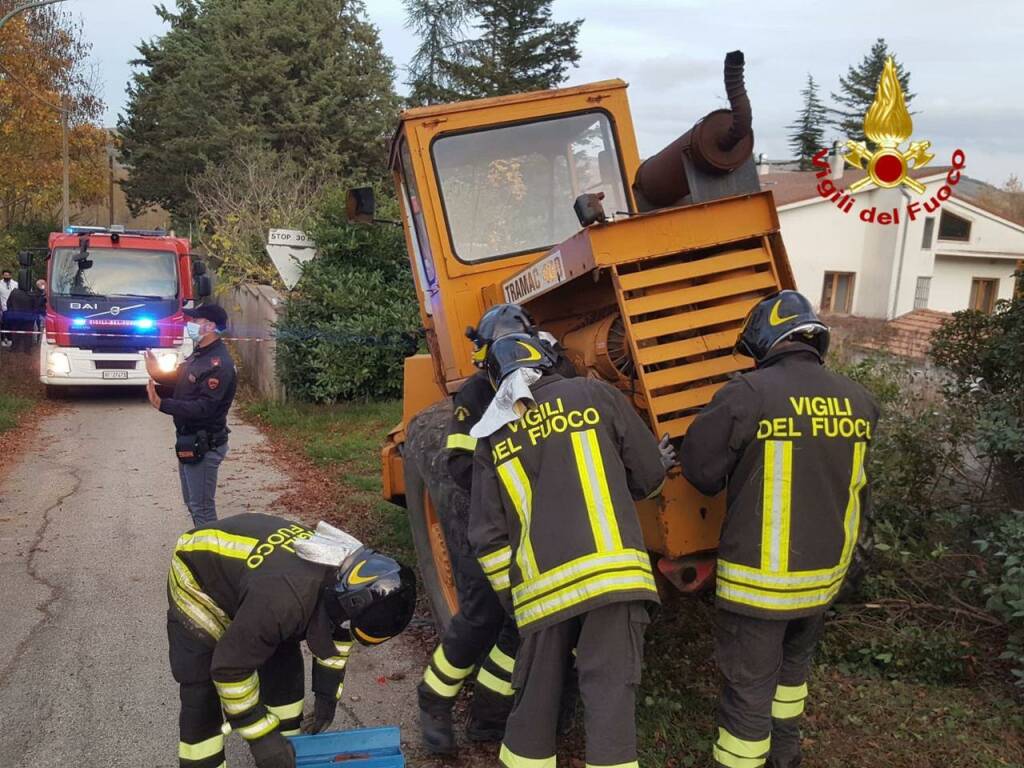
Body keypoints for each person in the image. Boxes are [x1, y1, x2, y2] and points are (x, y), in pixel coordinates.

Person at [680, 290, 879, 768]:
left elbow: (701, 473)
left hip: (760, 587)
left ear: (766, 342)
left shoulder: (747, 394)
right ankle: (784, 758)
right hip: (821, 582)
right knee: (791, 682)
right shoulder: (858, 401)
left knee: (748, 692)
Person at [469, 333, 674, 768]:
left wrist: (517, 599)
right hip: (614, 582)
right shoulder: (593, 393)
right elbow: (650, 477)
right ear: (547, 362)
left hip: (542, 594)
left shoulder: (492, 434)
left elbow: (487, 537)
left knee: (534, 709)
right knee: (610, 704)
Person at [418, 304, 577, 754]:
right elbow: (460, 462)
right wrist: (510, 488)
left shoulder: (554, 375)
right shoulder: (475, 394)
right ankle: (434, 699)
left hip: (536, 518)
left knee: (522, 618)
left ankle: (489, 715)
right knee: (482, 614)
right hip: (485, 517)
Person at [167, 513, 416, 768]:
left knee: (283, 659)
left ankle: (286, 747)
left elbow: (339, 633)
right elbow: (229, 669)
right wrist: (261, 739)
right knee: (201, 690)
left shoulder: (346, 574)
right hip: (197, 576)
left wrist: (327, 695)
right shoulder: (282, 602)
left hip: (257, 583)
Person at [147, 304, 237, 528]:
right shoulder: (199, 355)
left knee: (203, 510)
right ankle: (204, 553)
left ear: (210, 326)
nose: (191, 325)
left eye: (196, 321)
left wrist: (163, 404)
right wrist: (156, 372)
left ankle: (214, 558)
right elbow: (183, 379)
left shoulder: (220, 364)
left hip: (205, 444)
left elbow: (205, 407)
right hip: (189, 440)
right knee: (193, 504)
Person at [4, 285, 35, 354]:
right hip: (28, 317)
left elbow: (8, 303)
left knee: (15, 333)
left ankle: (14, 348)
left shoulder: (14, 292)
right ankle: (27, 350)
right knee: (28, 334)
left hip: (16, 316)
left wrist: (12, 312)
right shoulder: (32, 294)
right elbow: (34, 306)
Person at [0, 269, 17, 347]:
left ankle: (10, 339)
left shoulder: (15, 284)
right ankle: (3, 339)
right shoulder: (0, 284)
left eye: (8, 275)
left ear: (10, 276)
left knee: (12, 324)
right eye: (5, 275)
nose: (6, 276)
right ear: (3, 275)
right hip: (3, 308)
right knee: (3, 324)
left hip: (14, 308)